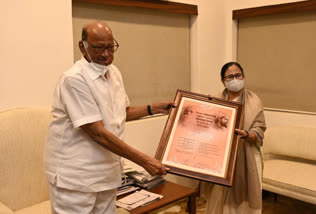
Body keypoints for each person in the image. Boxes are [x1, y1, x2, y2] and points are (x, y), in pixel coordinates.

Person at [44, 21, 173, 214]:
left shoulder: (113, 73)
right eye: (98, 48)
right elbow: (97, 133)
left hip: (106, 173)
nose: (106, 55)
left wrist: (151, 108)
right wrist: (145, 160)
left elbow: (121, 113)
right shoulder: (74, 79)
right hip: (77, 177)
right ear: (83, 46)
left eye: (110, 47)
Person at [203, 62, 267, 214]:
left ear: (243, 76)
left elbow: (260, 127)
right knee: (220, 197)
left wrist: (247, 134)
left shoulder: (254, 100)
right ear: (223, 81)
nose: (235, 79)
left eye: (238, 75)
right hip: (221, 158)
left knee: (246, 200)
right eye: (230, 76)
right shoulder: (216, 100)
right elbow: (208, 129)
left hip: (248, 154)